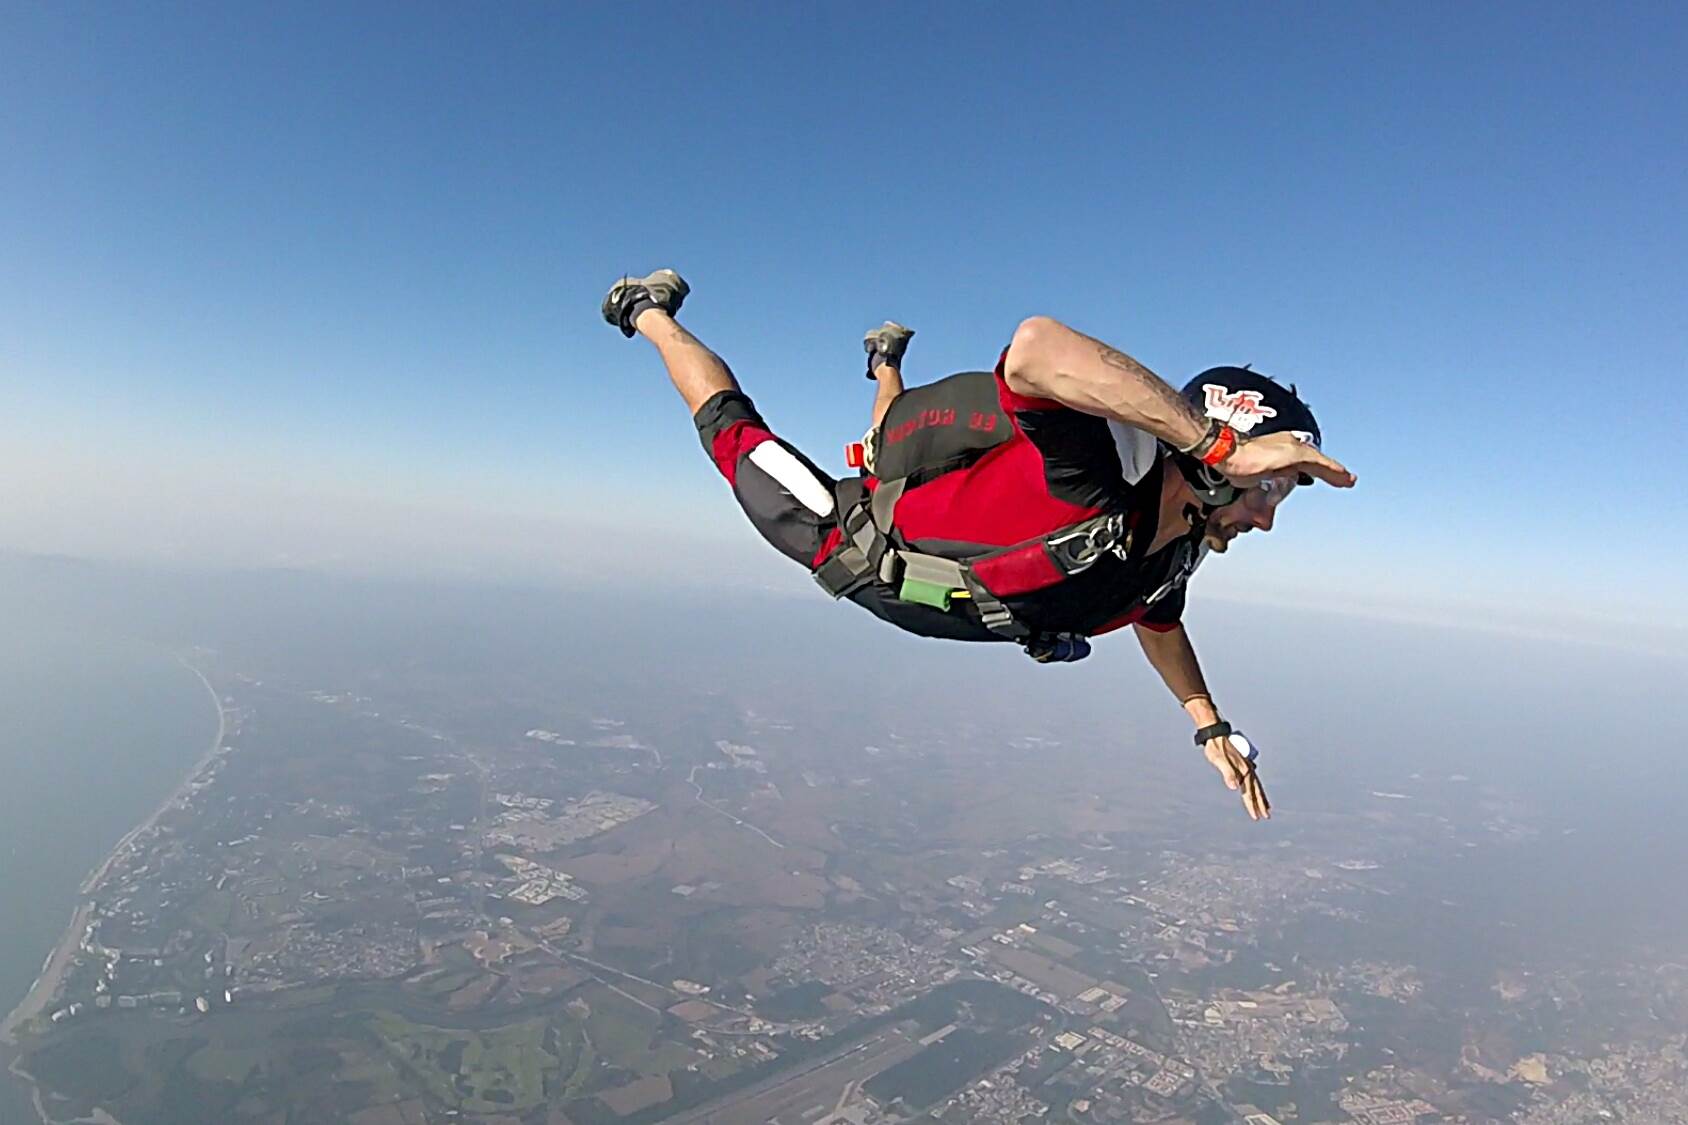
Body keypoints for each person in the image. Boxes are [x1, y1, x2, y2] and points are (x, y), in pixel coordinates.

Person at [601, 269, 1356, 821]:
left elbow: (1158, 620)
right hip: (858, 546)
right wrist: (1215, 439)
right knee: (738, 438)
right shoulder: (1101, 463)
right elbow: (1035, 349)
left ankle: (885, 363)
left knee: (875, 439)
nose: (1266, 517)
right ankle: (650, 311)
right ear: (1220, 461)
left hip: (944, 586)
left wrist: (1208, 724)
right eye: (1271, 487)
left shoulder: (1176, 548)